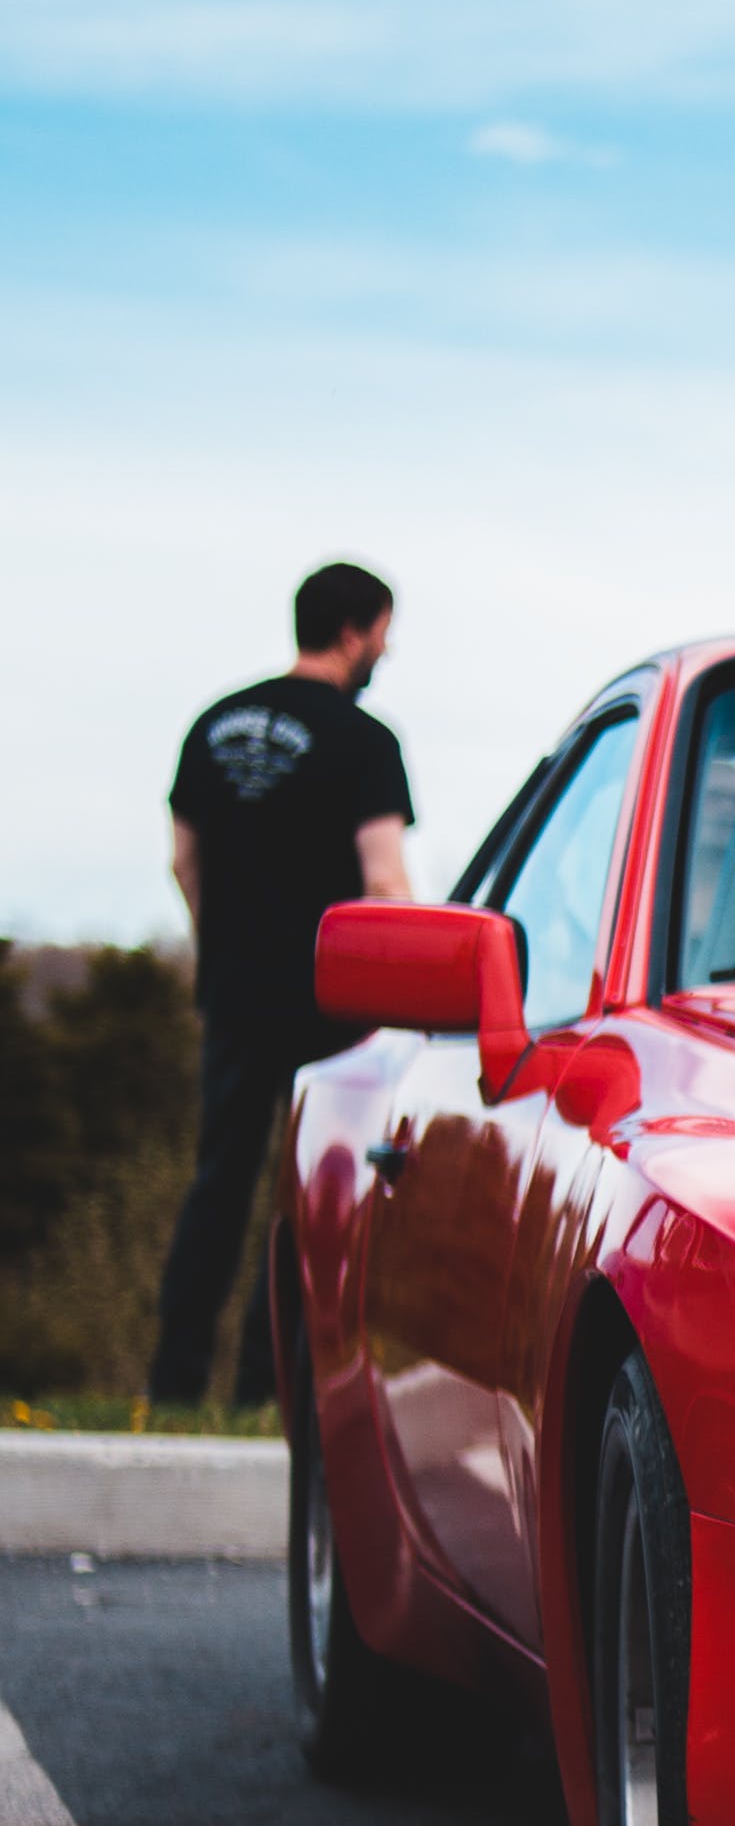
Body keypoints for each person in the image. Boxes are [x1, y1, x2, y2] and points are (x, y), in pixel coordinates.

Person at [150, 562, 415, 1407]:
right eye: (381, 632)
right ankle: (267, 1392)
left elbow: (182, 860)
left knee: (217, 1186)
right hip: (326, 1003)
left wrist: (223, 947)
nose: (384, 648)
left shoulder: (213, 724)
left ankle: (174, 1385)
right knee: (305, 1199)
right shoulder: (365, 742)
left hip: (233, 995)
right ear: (352, 633)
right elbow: (384, 882)